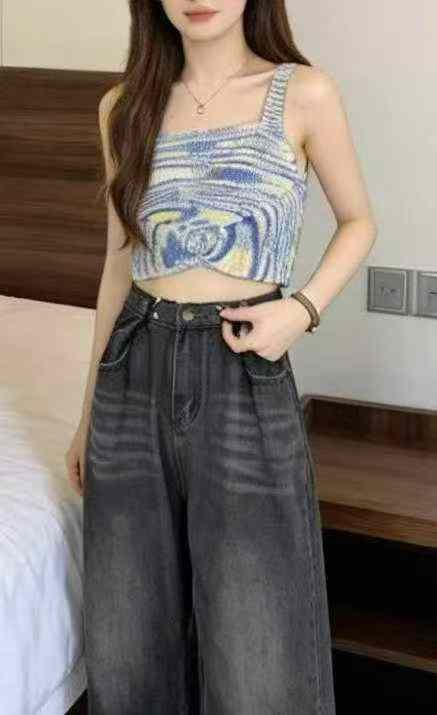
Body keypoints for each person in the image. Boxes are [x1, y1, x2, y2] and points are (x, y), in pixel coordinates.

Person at [65, 1, 377, 712]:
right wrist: (87, 417)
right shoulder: (123, 107)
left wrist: (300, 310)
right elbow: (118, 264)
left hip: (241, 367)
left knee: (257, 644)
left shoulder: (302, 92)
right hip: (132, 370)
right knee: (128, 636)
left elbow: (359, 221)